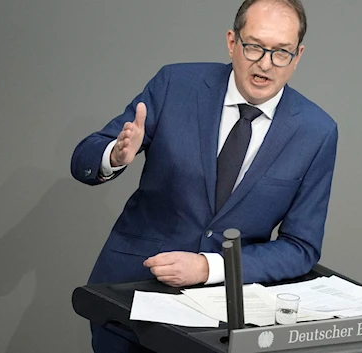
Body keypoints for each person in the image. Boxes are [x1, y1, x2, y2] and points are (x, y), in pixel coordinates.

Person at [71, 0, 338, 351]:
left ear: (298, 55)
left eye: (281, 52)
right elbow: (84, 159)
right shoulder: (175, 85)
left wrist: (208, 267)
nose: (265, 64)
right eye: (254, 47)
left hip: (220, 319)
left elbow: (300, 247)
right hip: (130, 299)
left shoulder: (316, 132)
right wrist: (115, 155)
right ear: (232, 41)